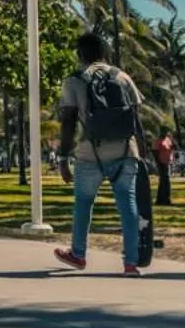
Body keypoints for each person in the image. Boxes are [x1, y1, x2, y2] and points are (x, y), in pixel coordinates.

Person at [53, 31, 147, 275]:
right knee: (127, 203)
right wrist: (142, 152)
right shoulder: (122, 76)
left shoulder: (74, 80)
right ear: (104, 53)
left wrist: (63, 158)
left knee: (84, 202)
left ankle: (78, 254)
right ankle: (131, 262)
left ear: (79, 54)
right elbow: (136, 117)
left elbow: (69, 121)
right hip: (126, 149)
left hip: (89, 152)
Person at [153, 130, 175, 206]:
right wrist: (158, 163)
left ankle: (165, 199)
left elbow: (171, 149)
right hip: (162, 163)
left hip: (168, 162)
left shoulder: (168, 140)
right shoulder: (157, 141)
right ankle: (163, 199)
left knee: (166, 181)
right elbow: (155, 152)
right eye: (164, 132)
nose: (165, 134)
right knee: (164, 181)